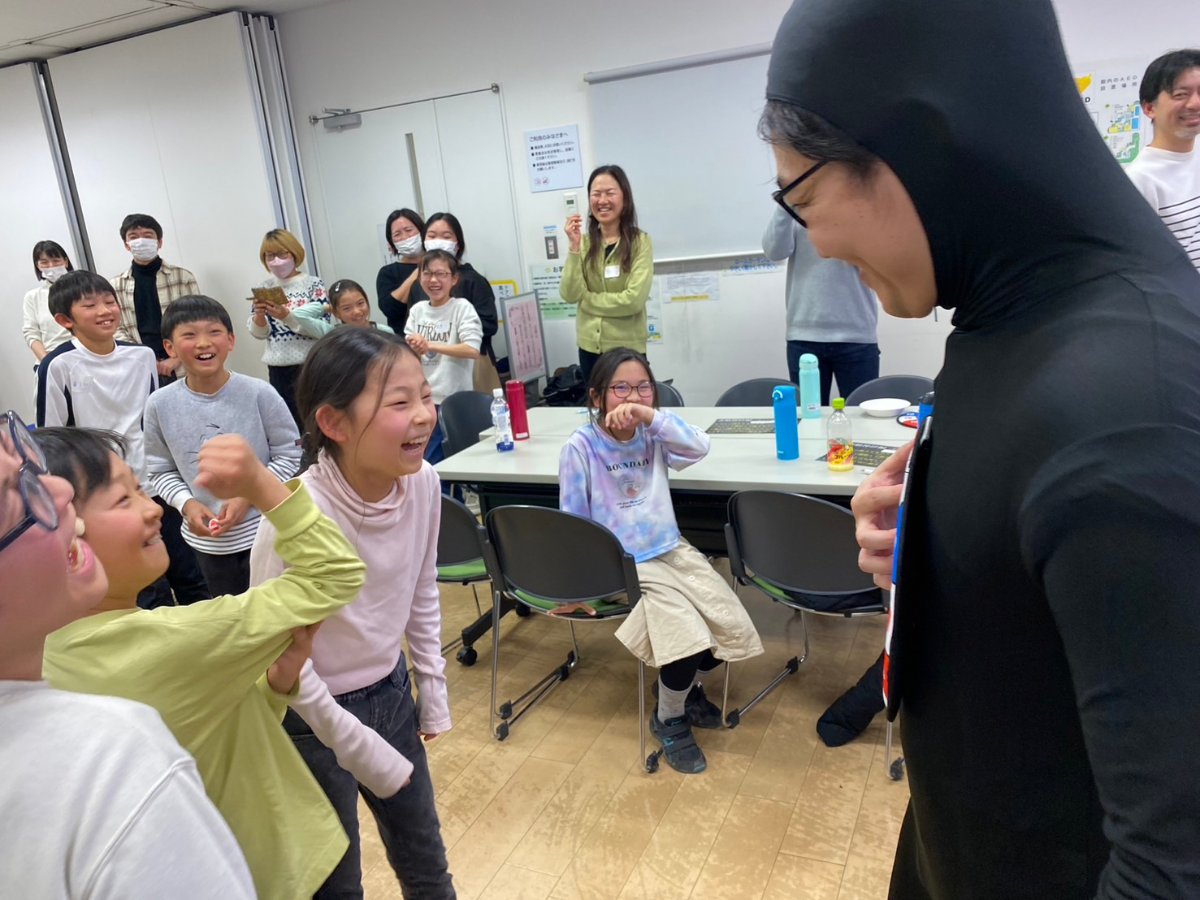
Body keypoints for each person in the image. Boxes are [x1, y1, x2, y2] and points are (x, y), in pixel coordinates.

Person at [763, 0, 1200, 896]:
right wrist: (932, 540)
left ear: (920, 145)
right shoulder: (1015, 313)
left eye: (803, 200)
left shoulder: (1129, 415)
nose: (819, 242)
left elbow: (1171, 869)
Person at [36, 427, 402, 900]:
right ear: (68, 541)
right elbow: (335, 574)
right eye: (123, 499)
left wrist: (274, 686)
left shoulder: (51, 655)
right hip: (271, 868)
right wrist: (261, 484)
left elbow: (199, 732)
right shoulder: (171, 640)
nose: (153, 509)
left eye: (141, 489)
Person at [0, 409, 256, 899]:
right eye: (16, 492)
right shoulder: (113, 760)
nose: (60, 492)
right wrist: (264, 487)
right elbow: (330, 578)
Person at [251, 327, 456, 899]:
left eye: (425, 396)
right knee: (335, 883)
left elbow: (421, 587)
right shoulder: (296, 515)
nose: (424, 415)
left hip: (390, 692)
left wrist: (432, 687)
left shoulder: (423, 483)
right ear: (334, 423)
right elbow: (274, 649)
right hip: (309, 717)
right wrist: (348, 739)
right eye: (400, 402)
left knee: (426, 862)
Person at [557, 348, 763, 774]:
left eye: (643, 388)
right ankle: (669, 716)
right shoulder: (581, 447)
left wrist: (651, 417)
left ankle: (678, 689)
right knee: (686, 637)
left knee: (727, 626)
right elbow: (572, 524)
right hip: (623, 563)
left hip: (670, 548)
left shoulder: (652, 433)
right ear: (597, 396)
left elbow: (700, 446)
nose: (633, 397)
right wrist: (576, 587)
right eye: (620, 388)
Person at [38, 270, 209, 610]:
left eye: (109, 302)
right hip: (107, 492)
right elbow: (50, 439)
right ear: (64, 320)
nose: (105, 311)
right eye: (90, 305)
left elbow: (154, 417)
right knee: (144, 584)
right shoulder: (57, 365)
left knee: (190, 572)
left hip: (155, 481)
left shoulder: (142, 355)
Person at [144, 295, 302, 596]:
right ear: (170, 348)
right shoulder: (159, 404)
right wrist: (186, 504)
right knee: (233, 616)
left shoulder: (259, 393)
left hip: (268, 532)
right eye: (189, 335)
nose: (203, 343)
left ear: (231, 340)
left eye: (214, 332)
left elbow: (290, 454)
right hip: (208, 542)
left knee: (279, 609)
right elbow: (160, 469)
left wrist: (252, 491)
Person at [761, 207, 880, 401]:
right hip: (804, 334)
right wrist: (785, 204)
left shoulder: (860, 203)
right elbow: (774, 252)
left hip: (857, 333)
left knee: (861, 413)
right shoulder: (795, 206)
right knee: (809, 415)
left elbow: (878, 253)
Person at [560, 165, 654, 382]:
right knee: (596, 404)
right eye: (596, 194)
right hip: (589, 350)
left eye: (610, 193)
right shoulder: (583, 244)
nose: (602, 200)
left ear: (625, 198)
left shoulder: (640, 242)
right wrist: (574, 248)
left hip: (627, 351)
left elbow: (633, 301)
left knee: (629, 403)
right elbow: (569, 294)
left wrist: (587, 300)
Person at [247, 228, 332, 426]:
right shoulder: (265, 287)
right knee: (287, 422)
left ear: (294, 253)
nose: (276, 261)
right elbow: (260, 333)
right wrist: (259, 315)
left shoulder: (313, 284)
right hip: (278, 368)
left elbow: (324, 328)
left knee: (315, 418)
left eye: (282, 254)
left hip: (310, 364)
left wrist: (287, 317)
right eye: (270, 256)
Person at [404, 250, 482, 465]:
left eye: (441, 274)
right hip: (422, 401)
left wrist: (430, 345)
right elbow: (409, 353)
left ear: (454, 279)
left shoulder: (461, 308)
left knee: (444, 461)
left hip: (452, 401)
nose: (433, 280)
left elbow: (472, 349)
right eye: (427, 273)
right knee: (425, 460)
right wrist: (415, 347)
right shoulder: (417, 310)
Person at [1125, 49, 1200, 271]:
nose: (1195, 103)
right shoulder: (1140, 180)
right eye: (1180, 94)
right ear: (1150, 108)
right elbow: (1140, 267)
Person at [110, 213, 200, 383]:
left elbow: (196, 321)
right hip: (139, 367)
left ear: (159, 242)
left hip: (183, 363)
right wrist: (144, 357)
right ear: (127, 245)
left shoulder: (183, 277)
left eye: (148, 235)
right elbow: (116, 328)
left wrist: (176, 357)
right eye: (134, 237)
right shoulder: (116, 285)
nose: (141, 241)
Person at [22, 239, 76, 365]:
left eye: (56, 261)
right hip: (50, 358)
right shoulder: (33, 297)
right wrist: (48, 362)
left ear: (66, 261)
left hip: (83, 355)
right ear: (38, 266)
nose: (51, 266)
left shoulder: (82, 290)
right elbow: (31, 333)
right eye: (44, 263)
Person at [375, 208, 426, 334]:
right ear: (391, 243)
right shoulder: (387, 273)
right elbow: (389, 309)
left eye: (409, 230)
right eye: (397, 234)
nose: (405, 237)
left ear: (422, 231)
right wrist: (418, 271)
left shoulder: (442, 264)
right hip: (405, 340)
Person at [299, 278, 394, 333]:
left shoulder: (384, 331)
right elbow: (299, 314)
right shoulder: (332, 334)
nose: (357, 311)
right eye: (347, 308)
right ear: (336, 313)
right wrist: (328, 308)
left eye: (360, 303)